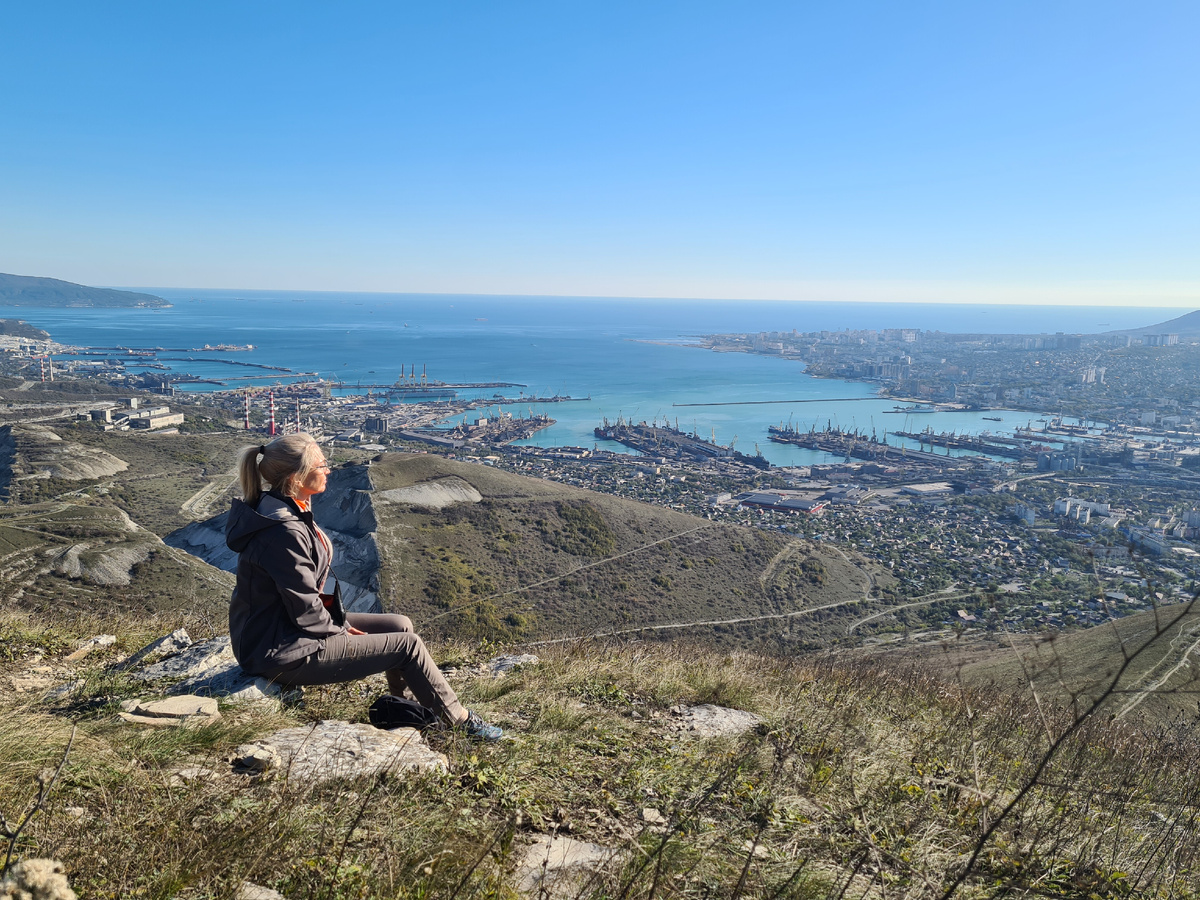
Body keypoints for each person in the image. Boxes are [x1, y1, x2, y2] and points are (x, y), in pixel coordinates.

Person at [224, 432, 501, 741]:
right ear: (297, 476)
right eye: (322, 464)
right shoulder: (283, 532)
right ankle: (460, 723)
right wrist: (339, 630)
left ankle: (407, 710)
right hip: (277, 649)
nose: (328, 470)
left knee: (400, 625)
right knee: (406, 647)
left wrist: (338, 623)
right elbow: (304, 607)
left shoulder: (284, 508)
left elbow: (303, 598)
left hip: (282, 631)